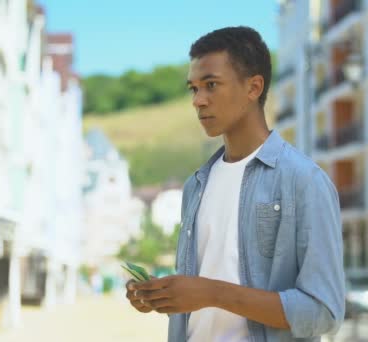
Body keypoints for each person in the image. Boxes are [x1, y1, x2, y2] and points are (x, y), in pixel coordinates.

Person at [126, 26, 345, 342]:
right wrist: (160, 295)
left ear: (253, 87)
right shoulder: (195, 186)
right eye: (193, 88)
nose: (198, 100)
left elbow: (323, 312)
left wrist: (212, 293)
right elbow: (199, 302)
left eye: (211, 85)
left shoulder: (304, 181)